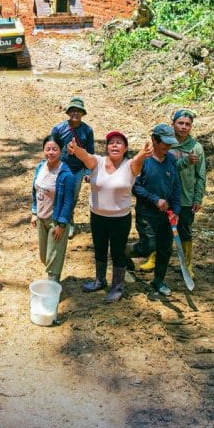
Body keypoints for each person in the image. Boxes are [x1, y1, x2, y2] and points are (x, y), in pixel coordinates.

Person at [67, 131, 151, 303]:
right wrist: (75, 148)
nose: (114, 145)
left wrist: (143, 152)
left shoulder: (130, 166)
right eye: (111, 142)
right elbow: (85, 156)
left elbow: (137, 161)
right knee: (99, 247)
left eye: (119, 143)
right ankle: (100, 280)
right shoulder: (97, 162)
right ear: (106, 147)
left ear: (125, 148)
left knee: (118, 252)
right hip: (97, 216)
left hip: (120, 218)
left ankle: (117, 287)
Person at [131, 124, 182, 295]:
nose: (167, 147)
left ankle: (158, 281)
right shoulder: (143, 160)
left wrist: (176, 210)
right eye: (164, 143)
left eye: (170, 143)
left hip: (167, 215)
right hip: (147, 213)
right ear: (154, 139)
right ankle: (123, 252)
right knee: (148, 246)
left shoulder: (171, 160)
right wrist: (155, 200)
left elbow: (176, 186)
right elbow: (134, 187)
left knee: (165, 249)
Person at [30, 136, 76, 284]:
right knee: (45, 256)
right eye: (48, 149)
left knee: (53, 259)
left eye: (54, 149)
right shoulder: (40, 167)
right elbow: (35, 190)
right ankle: (52, 282)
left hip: (56, 221)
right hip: (41, 219)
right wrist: (34, 212)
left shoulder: (66, 174)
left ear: (61, 151)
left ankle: (52, 291)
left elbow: (69, 202)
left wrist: (62, 224)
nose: (51, 152)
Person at [169, 108, 207, 277]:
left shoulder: (196, 147)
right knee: (161, 229)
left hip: (186, 196)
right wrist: (184, 162)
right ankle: (154, 258)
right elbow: (164, 169)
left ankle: (187, 265)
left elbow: (201, 175)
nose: (184, 127)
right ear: (173, 124)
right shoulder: (165, 143)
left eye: (188, 124)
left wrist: (198, 197)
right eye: (180, 123)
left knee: (184, 230)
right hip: (166, 195)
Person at [51, 97, 94, 238]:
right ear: (68, 112)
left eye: (78, 111)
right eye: (73, 111)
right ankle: (59, 219)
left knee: (72, 197)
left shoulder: (87, 131)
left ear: (82, 113)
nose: (75, 113)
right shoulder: (58, 129)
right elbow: (52, 148)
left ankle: (68, 221)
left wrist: (88, 171)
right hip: (61, 168)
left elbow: (90, 152)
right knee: (59, 194)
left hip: (77, 170)